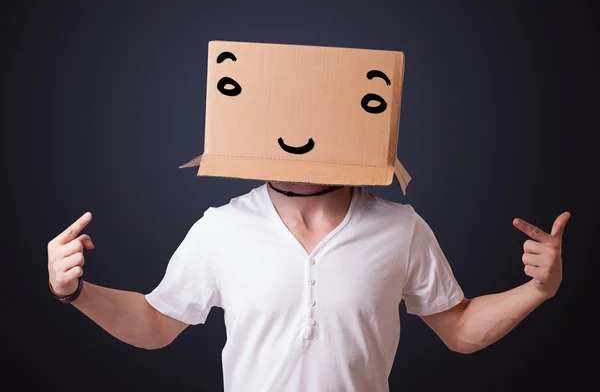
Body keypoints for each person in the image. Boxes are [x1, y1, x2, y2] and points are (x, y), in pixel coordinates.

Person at [47, 181, 570, 391]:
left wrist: (537, 291)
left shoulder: (400, 226)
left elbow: (458, 329)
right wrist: (76, 293)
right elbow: (157, 324)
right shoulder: (222, 227)